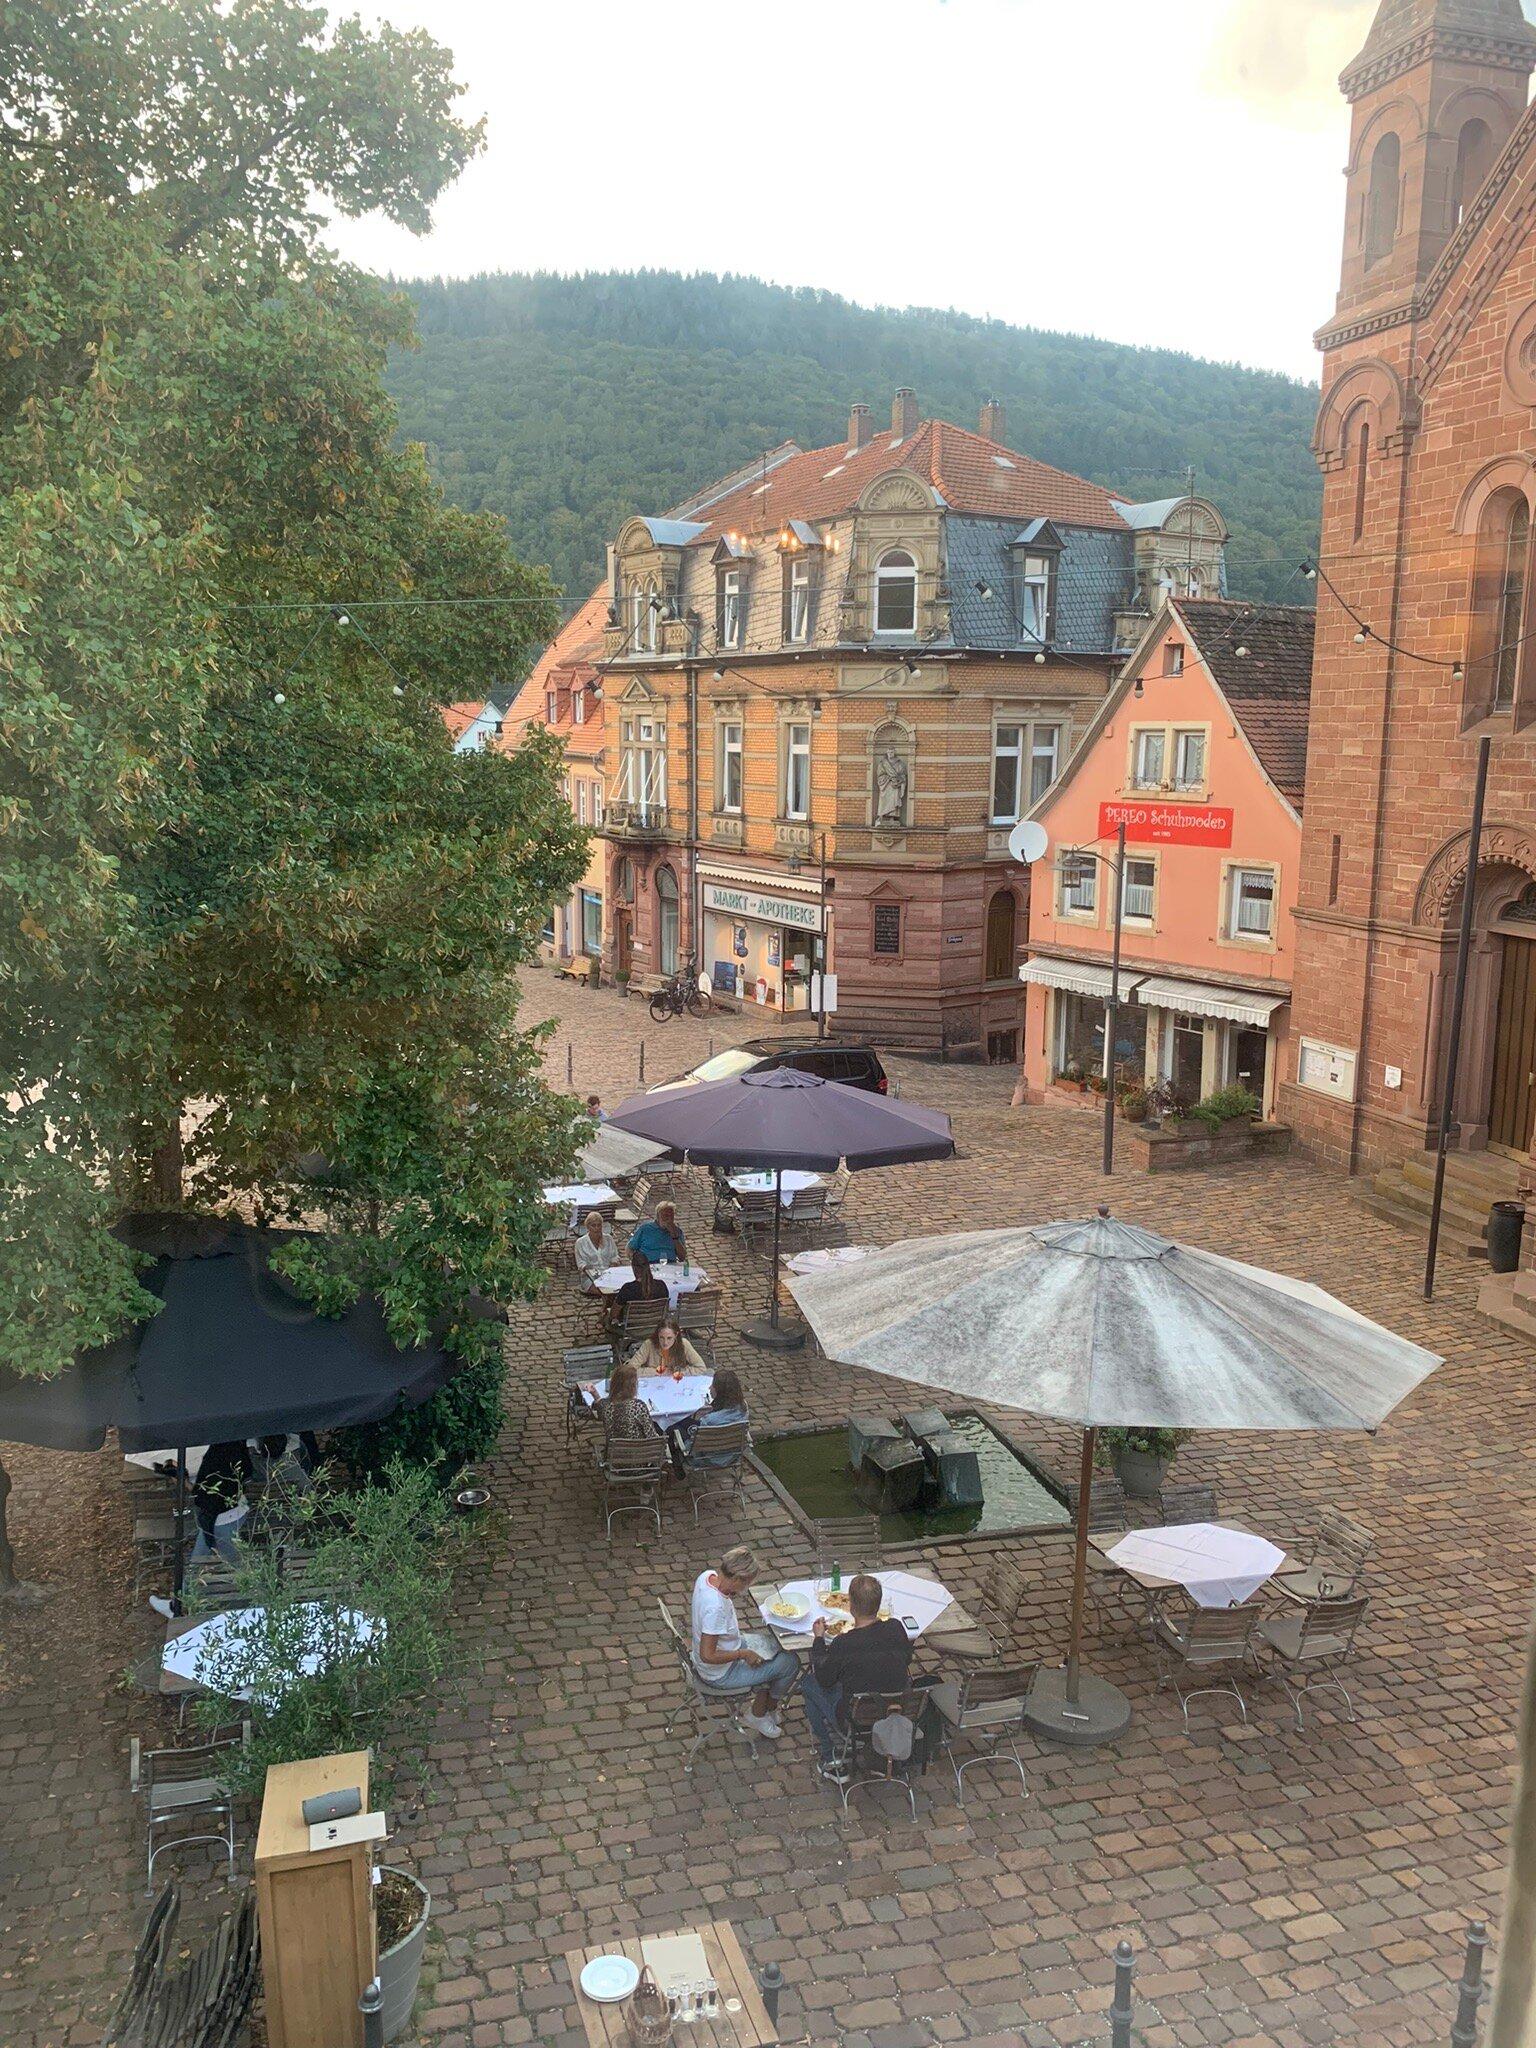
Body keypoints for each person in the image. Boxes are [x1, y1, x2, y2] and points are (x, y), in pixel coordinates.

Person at [800, 1572, 914, 1786]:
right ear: (878, 1604)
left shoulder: (844, 1643)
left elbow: (824, 1679)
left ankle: (829, 1755)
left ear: (851, 1605)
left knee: (808, 1683)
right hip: (895, 1708)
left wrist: (818, 1640)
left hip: (856, 1716)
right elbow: (907, 1659)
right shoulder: (896, 1628)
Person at [690, 1544, 801, 1740]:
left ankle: (763, 1707)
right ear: (737, 1579)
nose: (745, 1588)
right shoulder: (715, 1609)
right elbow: (707, 1655)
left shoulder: (707, 1576)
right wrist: (743, 1654)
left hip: (730, 1646)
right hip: (720, 1673)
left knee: (776, 1645)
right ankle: (761, 1713)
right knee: (790, 1663)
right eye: (746, 1583)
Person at [672, 1367, 748, 1473]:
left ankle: (677, 1465)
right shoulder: (743, 1407)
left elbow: (691, 1447)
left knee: (673, 1427)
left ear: (719, 1392)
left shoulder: (709, 1420)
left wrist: (683, 1445)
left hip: (705, 1459)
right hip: (731, 1456)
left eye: (712, 1385)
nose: (709, 1387)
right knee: (685, 1422)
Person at [590, 1359, 660, 1442]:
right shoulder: (638, 1406)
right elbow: (651, 1436)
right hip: (640, 1453)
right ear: (633, 1386)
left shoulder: (606, 1405)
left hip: (616, 1453)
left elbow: (599, 1407)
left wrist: (594, 1393)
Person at [605, 1248, 669, 1333]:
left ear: (633, 1268)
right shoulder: (661, 1286)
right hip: (655, 1329)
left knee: (607, 1318)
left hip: (632, 1331)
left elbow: (613, 1314)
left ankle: (616, 1343)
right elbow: (666, 1310)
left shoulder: (628, 1289)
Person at [627, 1200, 686, 1267]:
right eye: (665, 1215)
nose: (669, 1219)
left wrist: (675, 1237)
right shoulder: (645, 1229)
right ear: (658, 1216)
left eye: (671, 1216)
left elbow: (682, 1257)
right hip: (648, 1265)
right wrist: (636, 1261)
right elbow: (630, 1248)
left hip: (669, 1265)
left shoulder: (677, 1231)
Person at [573, 1211, 616, 1289]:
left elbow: (615, 1256)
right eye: (593, 1225)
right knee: (602, 1289)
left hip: (609, 1274)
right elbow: (581, 1264)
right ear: (588, 1227)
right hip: (590, 1277)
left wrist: (614, 1263)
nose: (597, 1228)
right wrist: (591, 1270)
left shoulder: (609, 1239)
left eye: (599, 1225)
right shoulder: (580, 1242)